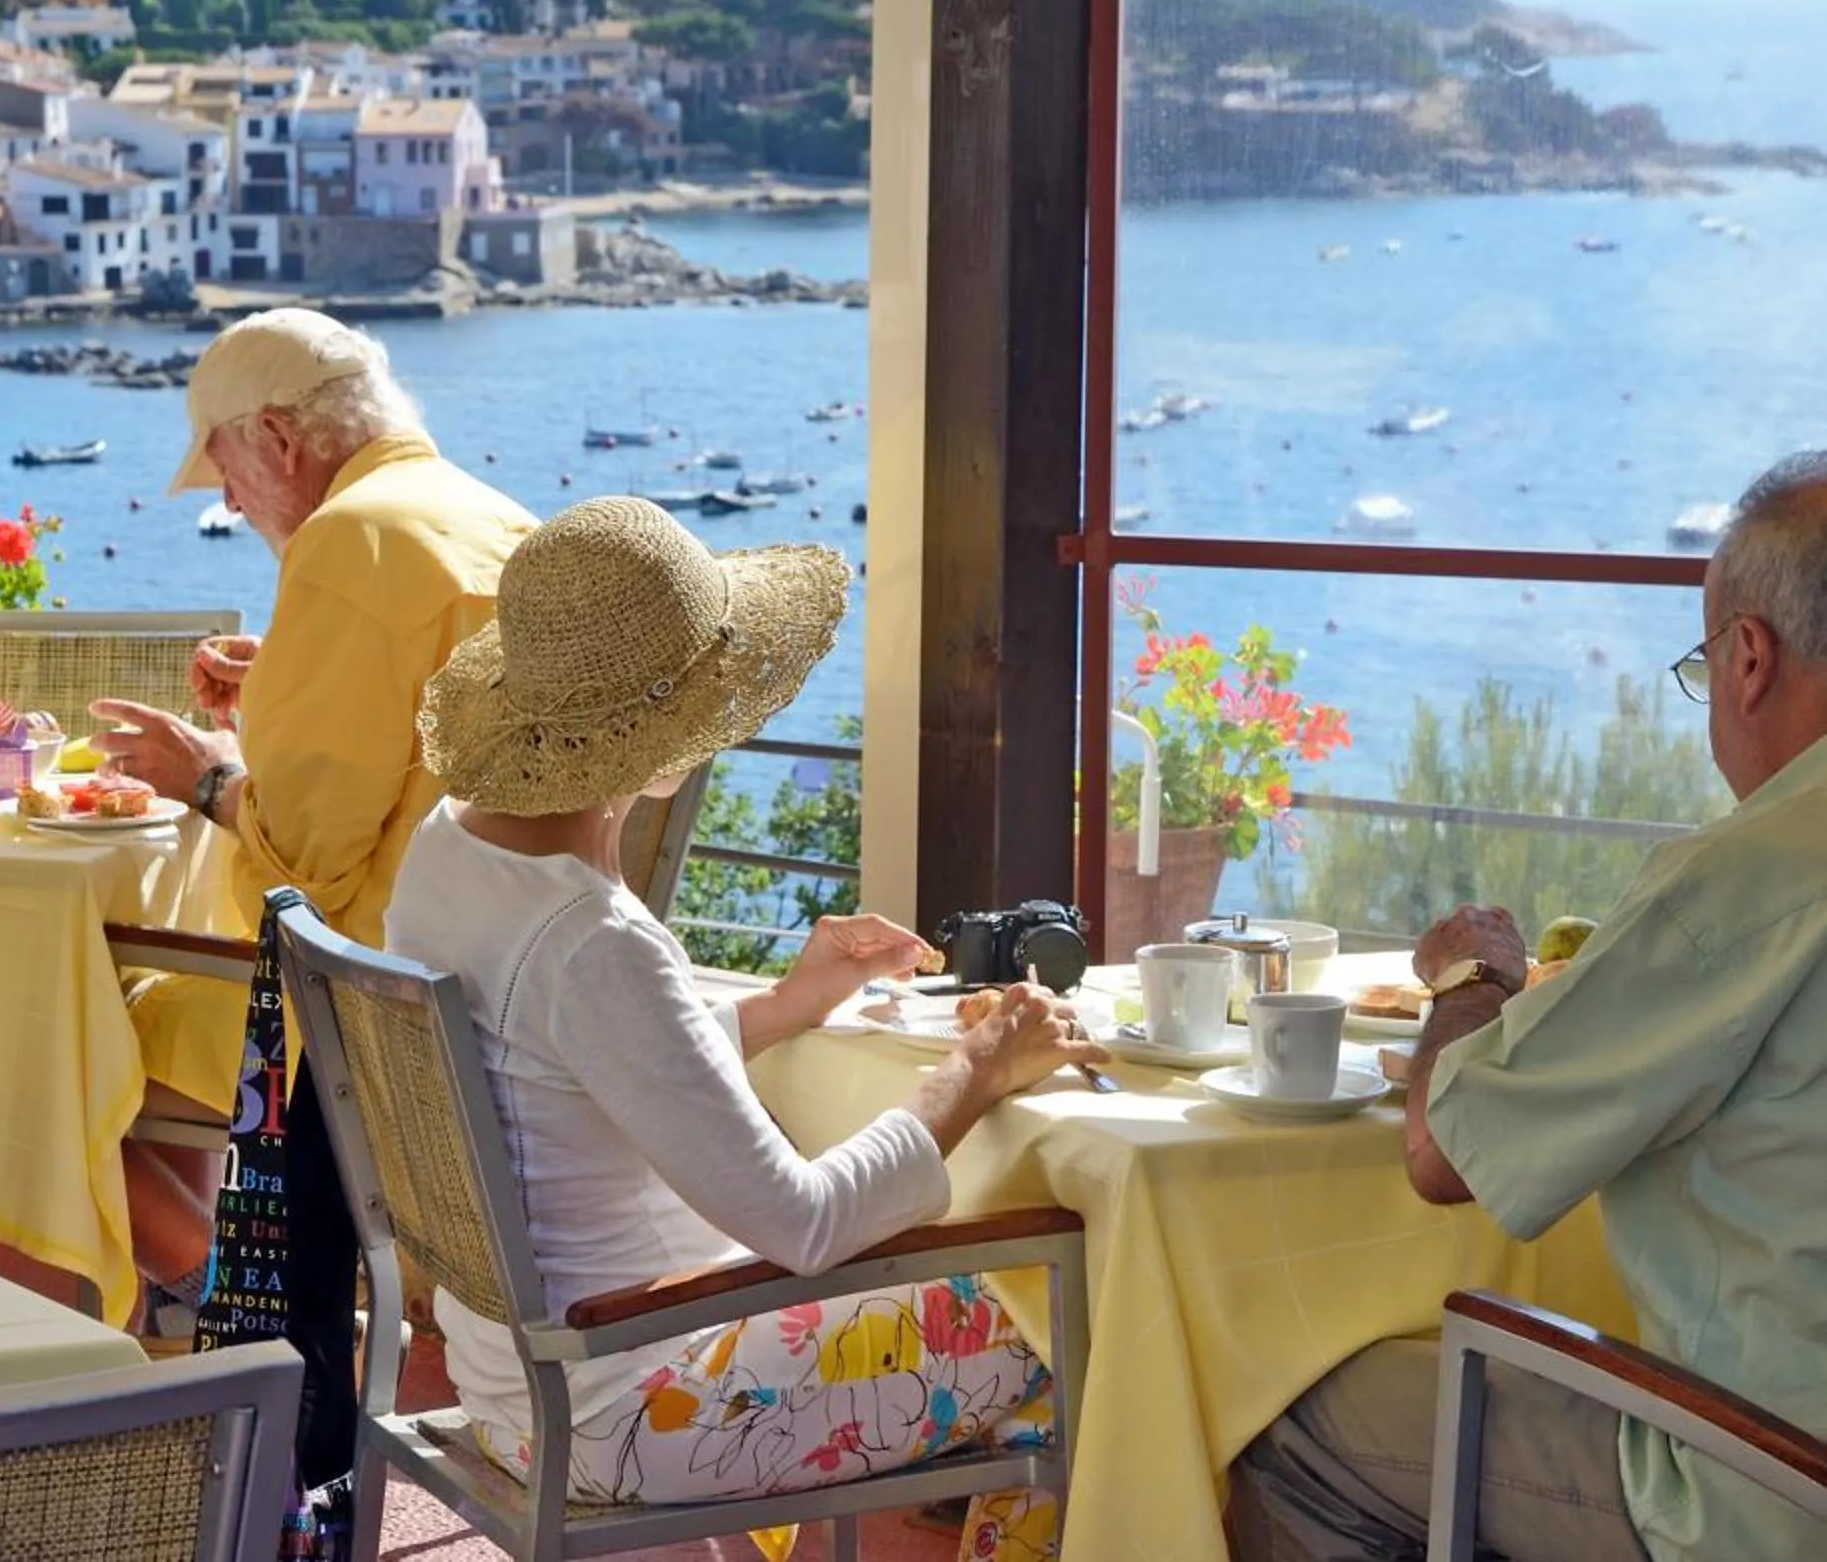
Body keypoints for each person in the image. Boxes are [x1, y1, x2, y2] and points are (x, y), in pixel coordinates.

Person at [386, 496, 1104, 1550]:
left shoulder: (448, 853)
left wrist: (784, 1005)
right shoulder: (592, 939)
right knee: (1070, 1318)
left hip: (511, 1384)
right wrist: (976, 1068)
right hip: (631, 1404)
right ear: (671, 724)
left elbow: (568, 1077)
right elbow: (806, 1223)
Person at [1231, 449, 1827, 1562]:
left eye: (1704, 663)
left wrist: (1472, 981)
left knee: (1278, 1404)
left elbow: (1444, 1152)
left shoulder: (1752, 879)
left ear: (1750, 658)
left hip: (1767, 1492)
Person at [88, 307, 534, 1477]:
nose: (231, 504)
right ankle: (236, 1314)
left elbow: (307, 865)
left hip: (366, 1010)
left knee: (79, 1044)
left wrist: (205, 776)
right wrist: (284, 683)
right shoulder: (488, 516)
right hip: (498, 982)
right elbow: (411, 747)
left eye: (225, 473)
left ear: (280, 439)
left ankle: (228, 1338)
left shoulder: (348, 545)